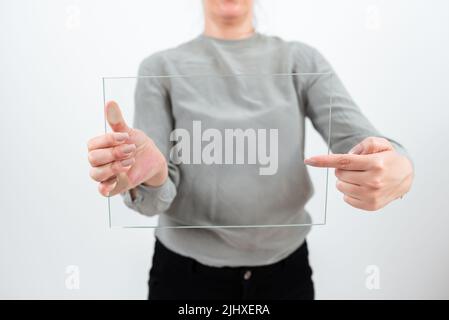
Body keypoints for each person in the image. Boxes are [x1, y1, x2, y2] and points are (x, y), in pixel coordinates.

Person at [87, 0, 414, 300]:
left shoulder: (300, 60)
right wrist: (153, 175)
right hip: (184, 279)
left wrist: (399, 164)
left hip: (285, 276)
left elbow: (365, 143)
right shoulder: (160, 68)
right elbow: (156, 198)